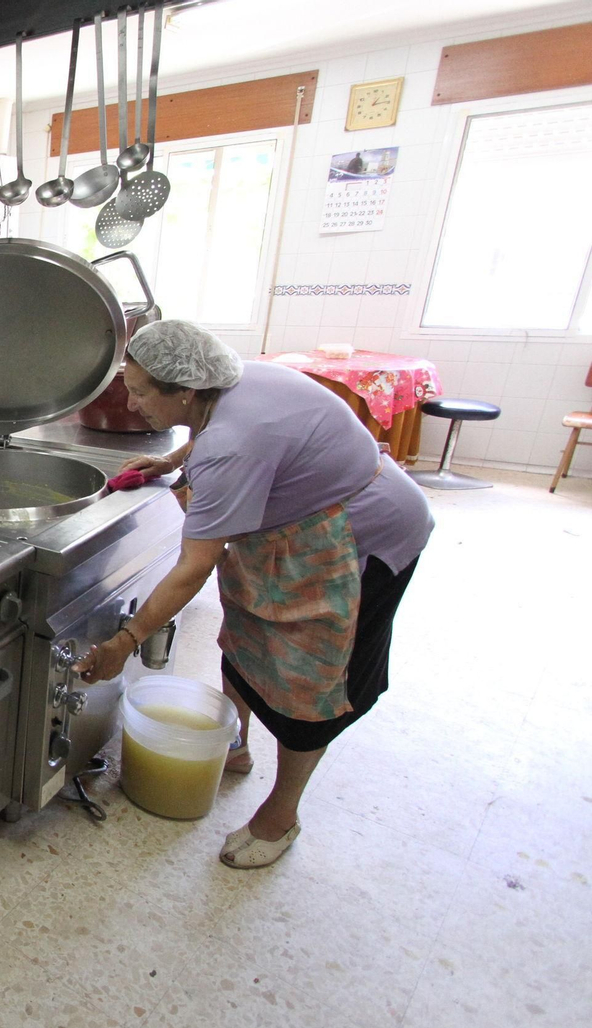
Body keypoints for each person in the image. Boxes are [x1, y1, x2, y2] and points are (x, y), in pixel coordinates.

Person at [76, 321, 433, 868]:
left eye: (144, 390)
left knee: (313, 680)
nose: (132, 399)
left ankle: (280, 816)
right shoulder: (233, 384)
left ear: (187, 389)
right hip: (287, 531)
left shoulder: (232, 446)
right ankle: (234, 746)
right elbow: (214, 433)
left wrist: (128, 639)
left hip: (360, 537)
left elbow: (192, 567)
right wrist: (172, 462)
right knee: (243, 633)